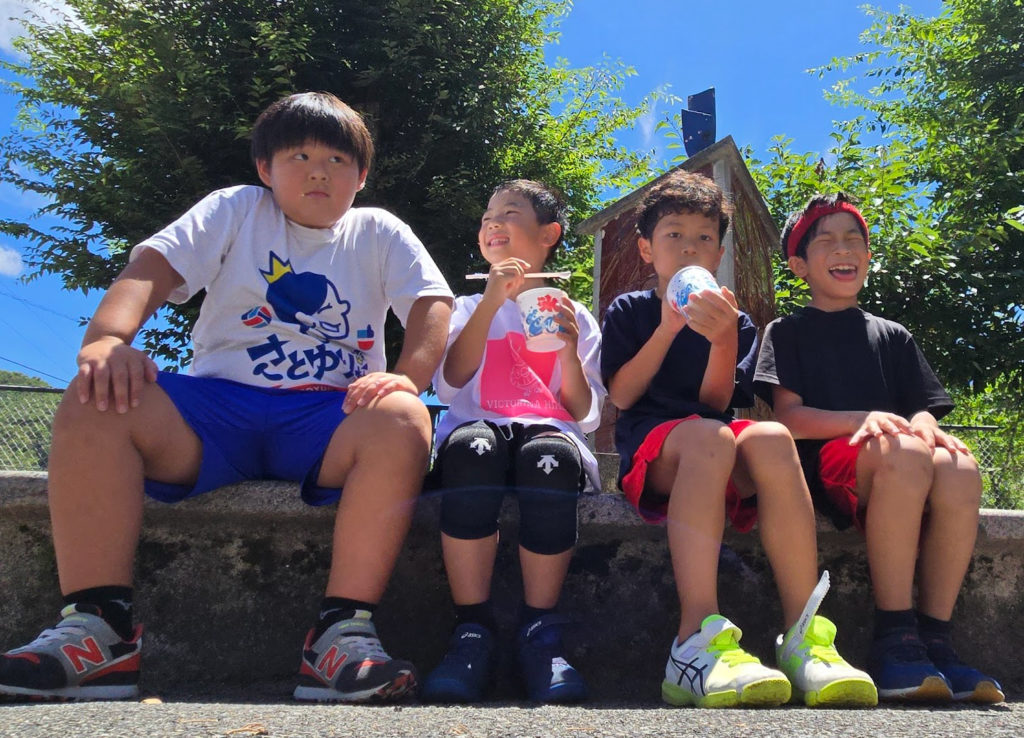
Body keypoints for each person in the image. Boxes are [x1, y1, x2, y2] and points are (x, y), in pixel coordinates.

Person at [0, 92, 454, 703]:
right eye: (298, 156)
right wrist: (108, 340)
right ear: (265, 168)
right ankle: (98, 630)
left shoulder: (379, 231)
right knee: (96, 395)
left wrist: (409, 378)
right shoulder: (235, 208)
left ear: (362, 176)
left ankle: (342, 633)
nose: (319, 172)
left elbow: (431, 304)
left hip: (329, 417)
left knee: (402, 416)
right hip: (215, 411)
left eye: (338, 160)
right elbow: (152, 268)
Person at [601, 171, 875, 708]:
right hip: (656, 451)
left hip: (714, 444)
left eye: (704, 237)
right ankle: (694, 641)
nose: (689, 247)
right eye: (674, 235)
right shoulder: (630, 310)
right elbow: (624, 395)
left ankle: (803, 636)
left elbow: (715, 401)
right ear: (646, 249)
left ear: (719, 254)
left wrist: (723, 338)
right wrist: (667, 329)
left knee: (772, 436)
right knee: (710, 438)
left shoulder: (736, 320)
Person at [753, 192, 1004, 704]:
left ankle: (936, 637)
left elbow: (922, 409)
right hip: (828, 466)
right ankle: (895, 636)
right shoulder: (787, 331)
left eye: (854, 240)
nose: (843, 249)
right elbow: (789, 419)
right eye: (826, 241)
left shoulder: (893, 335)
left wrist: (925, 425)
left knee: (959, 466)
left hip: (897, 462)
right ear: (799, 265)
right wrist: (861, 420)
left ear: (868, 257)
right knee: (905, 451)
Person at [419, 180, 605, 704]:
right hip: (477, 424)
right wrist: (489, 304)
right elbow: (448, 385)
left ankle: (540, 631)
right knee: (470, 451)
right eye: (487, 216)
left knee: (549, 457)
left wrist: (567, 350)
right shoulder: (464, 306)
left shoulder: (574, 314)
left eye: (510, 213)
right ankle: (472, 629)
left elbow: (587, 415)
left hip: (548, 429)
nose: (492, 223)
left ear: (549, 235)